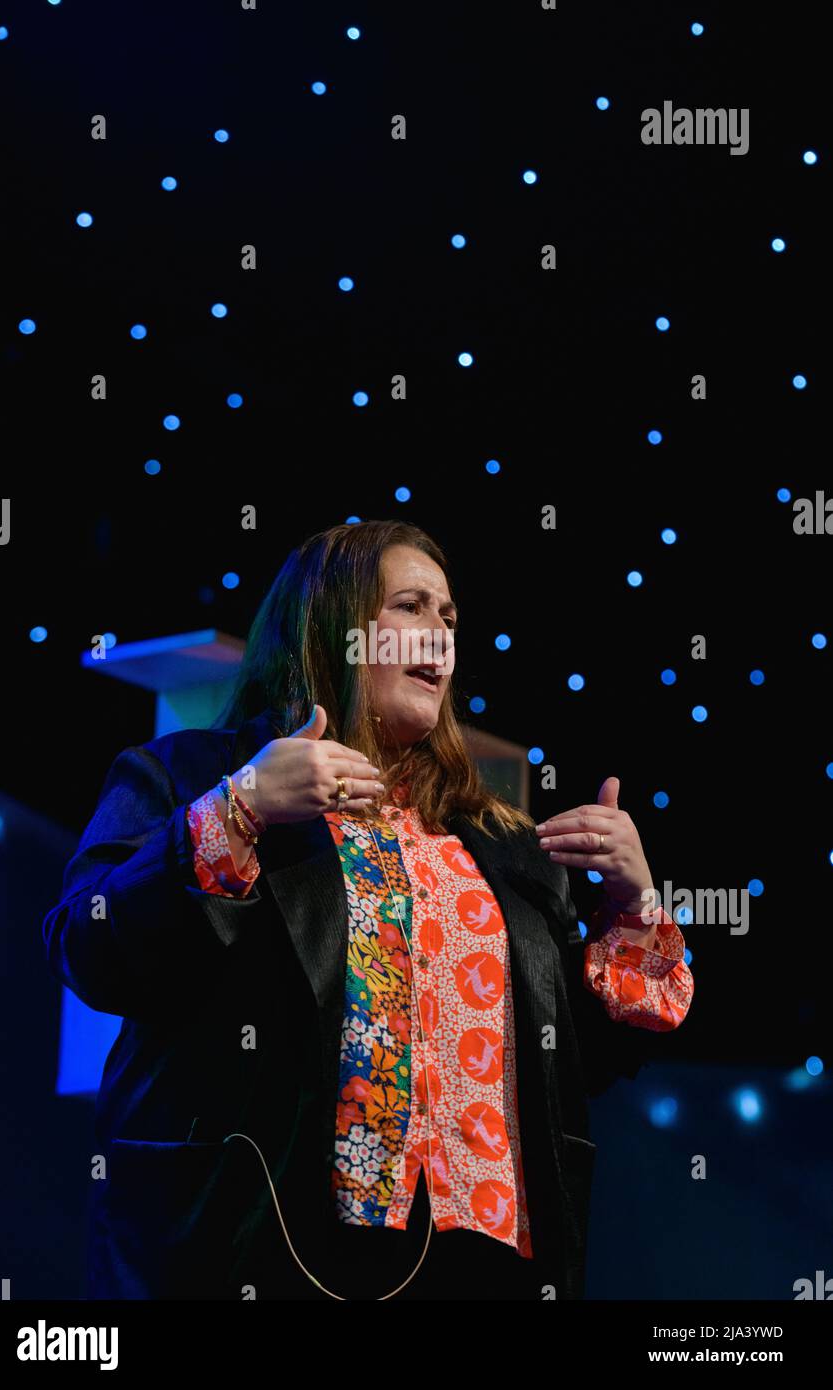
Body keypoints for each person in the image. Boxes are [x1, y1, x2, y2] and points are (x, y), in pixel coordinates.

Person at [42, 518, 694, 1300]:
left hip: (482, 1265)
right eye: (412, 608)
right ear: (334, 631)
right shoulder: (192, 776)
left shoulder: (503, 843)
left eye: (450, 618)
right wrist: (241, 810)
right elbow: (90, 944)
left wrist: (634, 906)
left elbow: (574, 1064)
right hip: (269, 1251)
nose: (441, 635)